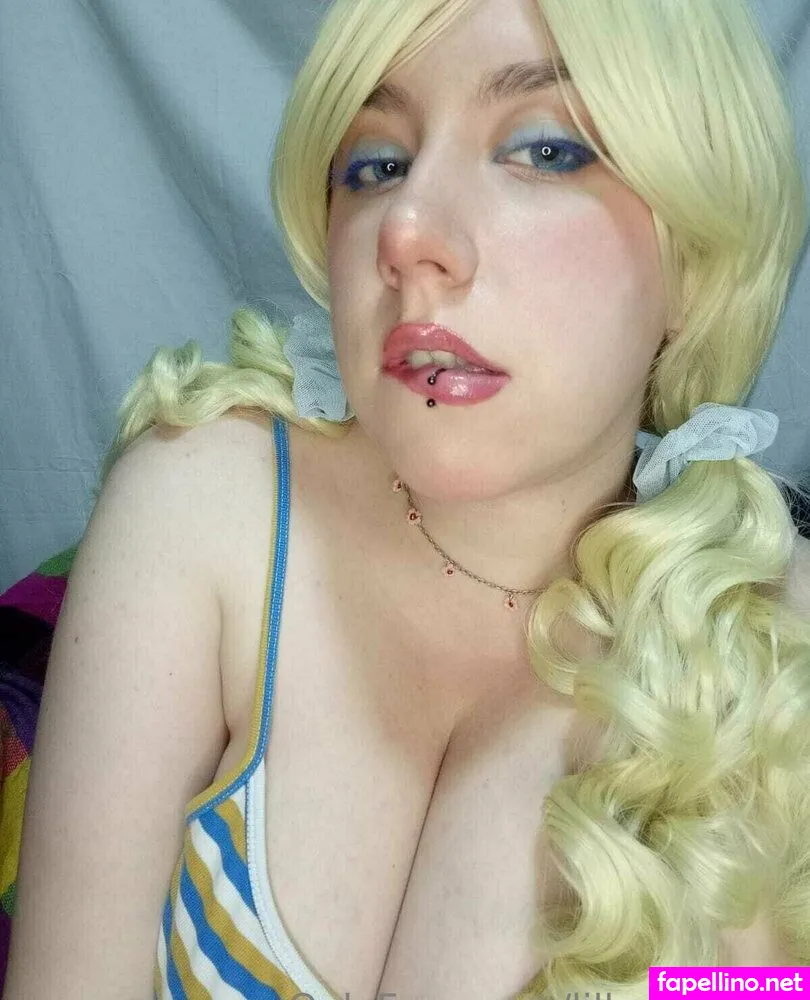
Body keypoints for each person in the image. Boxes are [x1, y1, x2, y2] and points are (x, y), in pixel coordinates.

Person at [5, 0, 810, 996]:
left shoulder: (766, 668)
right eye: (376, 165)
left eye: (545, 151)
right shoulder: (207, 506)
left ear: (693, 257)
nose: (408, 232)